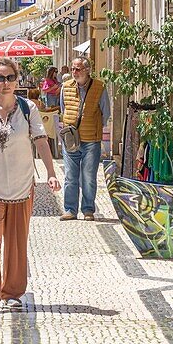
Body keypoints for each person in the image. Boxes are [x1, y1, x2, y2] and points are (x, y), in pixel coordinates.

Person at [0, 58, 60, 313]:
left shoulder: (28, 109)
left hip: (20, 186)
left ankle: (13, 292)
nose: (4, 83)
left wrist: (51, 172)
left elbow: (40, 141)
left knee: (16, 242)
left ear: (17, 80)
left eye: (9, 78)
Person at [59, 56, 111, 222]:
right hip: (71, 139)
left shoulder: (99, 87)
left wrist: (93, 127)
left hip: (91, 140)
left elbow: (105, 112)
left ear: (87, 70)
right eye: (73, 68)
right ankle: (69, 210)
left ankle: (88, 209)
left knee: (88, 176)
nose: (74, 72)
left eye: (78, 69)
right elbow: (63, 108)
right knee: (70, 176)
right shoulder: (65, 87)